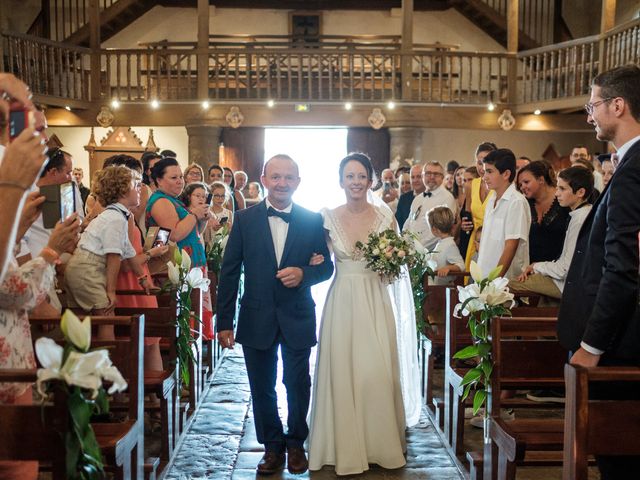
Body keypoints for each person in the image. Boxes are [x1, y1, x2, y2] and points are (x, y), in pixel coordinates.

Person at [216, 154, 333, 475]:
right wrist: (224, 321)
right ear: (264, 179)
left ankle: (296, 443)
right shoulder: (245, 219)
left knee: (297, 382)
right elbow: (229, 272)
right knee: (261, 385)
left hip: (298, 314)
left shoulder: (312, 220)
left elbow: (326, 267)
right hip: (256, 315)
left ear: (298, 182)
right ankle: (272, 447)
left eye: (289, 177)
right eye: (276, 177)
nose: (282, 183)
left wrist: (303, 274)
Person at [308, 153, 418, 475]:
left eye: (361, 176)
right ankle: (340, 444)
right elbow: (320, 257)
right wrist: (313, 262)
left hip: (375, 300)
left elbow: (396, 266)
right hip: (342, 301)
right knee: (342, 370)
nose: (356, 182)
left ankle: (377, 443)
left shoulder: (386, 218)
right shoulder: (326, 217)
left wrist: (392, 260)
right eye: (349, 176)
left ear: (370, 181)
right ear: (341, 180)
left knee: (376, 372)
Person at [558, 65, 640, 479]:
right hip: (622, 338)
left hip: (618, 344)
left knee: (618, 461)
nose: (590, 115)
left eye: (593, 105)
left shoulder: (633, 169)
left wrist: (591, 344)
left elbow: (622, 268)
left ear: (618, 105)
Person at [146, 157, 215, 340]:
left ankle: (195, 349)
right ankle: (187, 355)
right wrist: (194, 214)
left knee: (195, 312)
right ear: (159, 180)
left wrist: (202, 219)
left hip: (193, 261)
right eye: (173, 177)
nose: (180, 181)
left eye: (180, 177)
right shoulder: (160, 201)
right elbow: (174, 234)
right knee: (188, 315)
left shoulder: (173, 200)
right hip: (181, 266)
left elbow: (194, 232)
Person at [510, 166, 593, 300]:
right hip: (568, 279)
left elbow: (564, 269)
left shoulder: (580, 219)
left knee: (508, 286)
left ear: (580, 192)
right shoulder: (581, 213)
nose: (557, 193)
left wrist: (535, 266)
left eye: (562, 189)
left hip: (569, 284)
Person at [476, 148, 530, 280]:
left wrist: (494, 282)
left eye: (489, 172)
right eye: (484, 171)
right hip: (484, 275)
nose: (484, 177)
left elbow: (510, 246)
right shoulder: (492, 199)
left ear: (506, 174)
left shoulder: (516, 202)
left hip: (503, 281)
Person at [516, 160, 570, 263]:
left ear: (541, 179)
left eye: (526, 182)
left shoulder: (564, 200)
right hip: (530, 269)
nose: (522, 187)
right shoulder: (524, 203)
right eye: (520, 185)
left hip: (558, 269)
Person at [403, 161, 457, 250]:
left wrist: (417, 249)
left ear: (442, 177)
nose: (432, 177)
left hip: (433, 255)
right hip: (412, 252)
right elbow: (409, 223)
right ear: (423, 176)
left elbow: (441, 232)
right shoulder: (417, 198)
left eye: (436, 174)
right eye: (428, 173)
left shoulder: (447, 198)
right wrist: (404, 243)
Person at [461, 142, 497, 270]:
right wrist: (464, 224)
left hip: (494, 243)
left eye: (486, 162)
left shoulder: (499, 186)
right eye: (479, 162)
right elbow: (467, 214)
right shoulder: (472, 185)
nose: (482, 168)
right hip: (475, 241)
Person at [395, 164, 425, 230]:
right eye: (412, 177)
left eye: (418, 177)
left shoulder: (430, 196)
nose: (415, 180)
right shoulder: (403, 198)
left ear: (424, 177)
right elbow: (398, 223)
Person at [458, 166, 479, 258]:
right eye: (464, 180)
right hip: (465, 237)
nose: (466, 184)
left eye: (470, 180)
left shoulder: (478, 197)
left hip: (475, 239)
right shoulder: (466, 197)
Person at [203, 181, 233, 246]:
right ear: (211, 196)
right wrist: (210, 227)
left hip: (223, 245)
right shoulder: (206, 211)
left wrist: (227, 228)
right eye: (217, 196)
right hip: (209, 245)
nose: (220, 199)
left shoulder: (229, 213)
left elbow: (231, 234)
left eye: (223, 196)